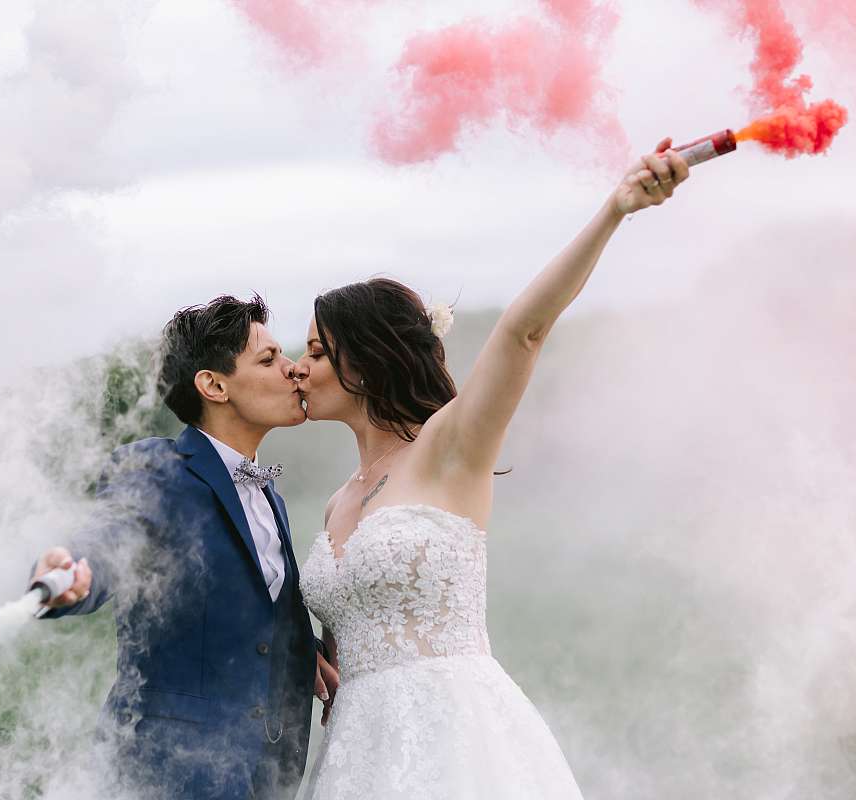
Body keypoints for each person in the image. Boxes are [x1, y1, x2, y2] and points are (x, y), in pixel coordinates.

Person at [293, 142, 691, 798]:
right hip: (354, 757)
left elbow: (522, 333)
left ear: (362, 362)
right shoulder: (337, 502)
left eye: (315, 350)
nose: (299, 367)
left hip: (456, 740)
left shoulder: (452, 447)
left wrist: (614, 211)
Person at [31, 294, 339, 799]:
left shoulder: (270, 497)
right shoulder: (156, 469)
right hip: (166, 775)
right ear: (213, 384)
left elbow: (252, 611)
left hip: (264, 775)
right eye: (269, 359)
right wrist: (75, 572)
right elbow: (113, 533)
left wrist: (301, 652)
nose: (294, 371)